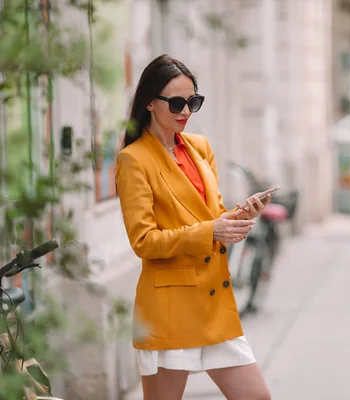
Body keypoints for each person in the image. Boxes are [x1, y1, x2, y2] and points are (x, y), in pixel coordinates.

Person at [115, 54, 272, 400]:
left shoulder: (200, 148)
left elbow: (210, 217)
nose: (185, 111)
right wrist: (210, 231)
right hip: (170, 307)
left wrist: (241, 215)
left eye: (193, 101)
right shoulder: (134, 160)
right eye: (176, 102)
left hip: (214, 302)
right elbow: (144, 241)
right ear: (149, 102)